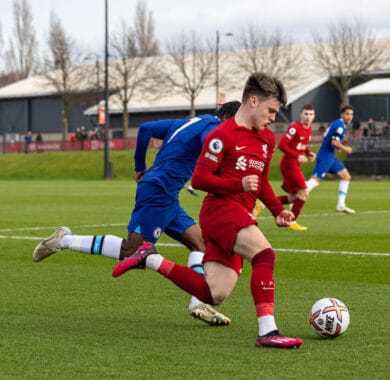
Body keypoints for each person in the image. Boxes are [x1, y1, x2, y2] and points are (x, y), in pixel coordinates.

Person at [112, 72, 303, 349]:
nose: (273, 117)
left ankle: (150, 258)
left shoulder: (266, 140)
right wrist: (238, 183)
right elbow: (200, 179)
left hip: (240, 213)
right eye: (271, 110)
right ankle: (268, 331)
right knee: (264, 255)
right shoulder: (220, 135)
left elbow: (259, 181)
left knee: (214, 293)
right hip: (221, 210)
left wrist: (276, 211)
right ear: (252, 101)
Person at [32, 101, 241, 325]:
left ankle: (198, 303)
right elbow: (208, 142)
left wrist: (139, 165)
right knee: (132, 251)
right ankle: (64, 240)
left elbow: (146, 129)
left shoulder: (190, 121)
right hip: (158, 191)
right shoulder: (215, 129)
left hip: (166, 193)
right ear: (231, 118)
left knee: (200, 244)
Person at [253, 104, 316, 231]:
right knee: (304, 192)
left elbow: (302, 144)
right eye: (306, 114)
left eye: (310, 114)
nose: (308, 117)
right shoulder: (295, 127)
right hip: (289, 164)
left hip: (294, 164)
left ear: (314, 116)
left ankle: (263, 203)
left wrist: (308, 153)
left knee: (293, 197)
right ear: (301, 115)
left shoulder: (308, 129)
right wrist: (297, 156)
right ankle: (292, 221)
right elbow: (282, 145)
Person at [305, 105, 356, 214]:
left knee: (346, 177)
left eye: (351, 114)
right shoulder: (340, 126)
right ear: (342, 114)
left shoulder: (337, 123)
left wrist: (338, 147)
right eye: (347, 114)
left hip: (330, 155)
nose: (349, 117)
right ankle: (294, 195)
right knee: (314, 181)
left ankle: (341, 205)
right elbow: (334, 142)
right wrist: (344, 148)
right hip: (325, 156)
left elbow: (332, 140)